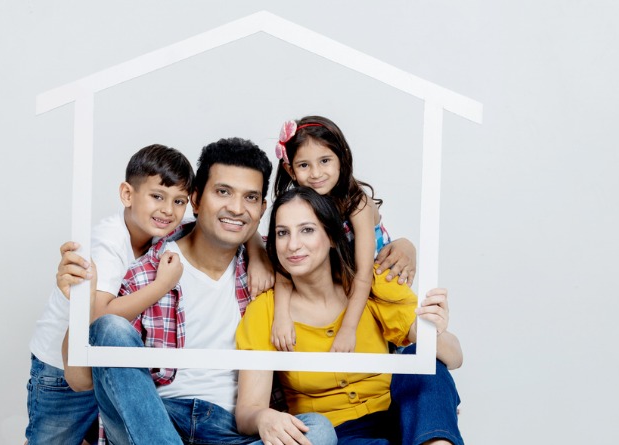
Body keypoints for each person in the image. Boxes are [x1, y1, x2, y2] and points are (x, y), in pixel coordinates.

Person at [63, 138, 337, 445]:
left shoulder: (278, 263)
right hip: (154, 419)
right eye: (223, 192)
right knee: (109, 327)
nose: (236, 208)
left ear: (262, 209)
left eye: (250, 198)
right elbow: (80, 380)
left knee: (319, 431)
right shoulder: (147, 271)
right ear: (195, 199)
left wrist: (401, 248)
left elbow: (339, 249)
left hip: (231, 430)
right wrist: (81, 304)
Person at [235, 187, 464, 445]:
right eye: (282, 233)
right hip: (337, 433)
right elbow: (247, 412)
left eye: (307, 230)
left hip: (405, 420)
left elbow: (454, 357)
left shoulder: (373, 287)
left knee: (421, 359)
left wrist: (434, 329)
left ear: (332, 236)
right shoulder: (266, 310)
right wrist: (264, 418)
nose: (293, 245)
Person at [26, 144, 195, 445]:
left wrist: (259, 252)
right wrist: (160, 287)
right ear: (128, 195)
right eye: (157, 196)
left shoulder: (159, 230)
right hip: (58, 367)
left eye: (179, 201)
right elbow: (99, 317)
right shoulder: (109, 241)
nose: (169, 210)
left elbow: (205, 228)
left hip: (101, 364)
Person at [267, 116, 413, 354]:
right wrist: (281, 316)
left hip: (376, 281)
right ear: (290, 170)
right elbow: (285, 266)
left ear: (341, 160)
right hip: (341, 285)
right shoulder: (298, 206)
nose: (315, 173)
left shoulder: (357, 204)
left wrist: (348, 330)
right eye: (304, 165)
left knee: (398, 342)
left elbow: (364, 274)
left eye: (325, 160)